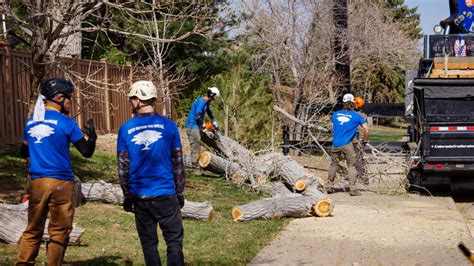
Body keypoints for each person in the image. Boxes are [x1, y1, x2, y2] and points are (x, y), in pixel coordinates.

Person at [17, 78, 96, 266]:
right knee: (59, 232)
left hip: (37, 183)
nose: (71, 102)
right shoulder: (66, 123)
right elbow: (86, 152)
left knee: (33, 229)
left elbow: (23, 152)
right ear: (59, 98)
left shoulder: (31, 122)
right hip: (61, 184)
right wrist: (91, 137)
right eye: (69, 98)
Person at [117, 80, 186, 266]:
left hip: (140, 196)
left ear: (139, 100)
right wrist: (179, 193)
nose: (131, 103)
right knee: (174, 242)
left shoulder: (125, 129)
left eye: (132, 99)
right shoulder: (170, 126)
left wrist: (127, 196)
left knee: (149, 245)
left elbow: (123, 167)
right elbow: (178, 163)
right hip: (166, 195)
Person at [327, 93, 369, 196]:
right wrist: (365, 140)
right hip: (347, 145)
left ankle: (329, 186)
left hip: (335, 144)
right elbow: (366, 128)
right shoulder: (357, 116)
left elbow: (332, 128)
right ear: (353, 104)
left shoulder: (335, 114)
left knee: (333, 165)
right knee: (352, 166)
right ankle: (353, 189)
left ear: (343, 102)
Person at [185, 87, 220, 174]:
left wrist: (213, 121)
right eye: (213, 98)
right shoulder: (201, 102)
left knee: (200, 146)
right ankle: (195, 170)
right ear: (212, 96)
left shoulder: (206, 103)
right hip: (192, 126)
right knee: (195, 147)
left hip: (197, 126)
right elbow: (198, 116)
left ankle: (200, 166)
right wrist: (204, 125)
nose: (213, 100)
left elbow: (209, 112)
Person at [352, 96, 369, 185]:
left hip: (355, 140)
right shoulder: (364, 115)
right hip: (358, 140)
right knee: (359, 158)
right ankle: (362, 176)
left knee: (357, 159)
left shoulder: (351, 114)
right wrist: (365, 140)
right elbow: (366, 129)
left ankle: (362, 177)